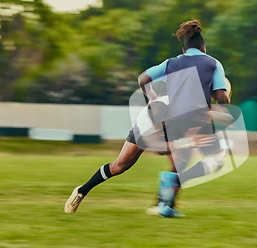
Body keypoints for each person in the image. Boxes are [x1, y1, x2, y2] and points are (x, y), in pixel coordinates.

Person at [64, 19, 230, 217]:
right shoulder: (213, 63)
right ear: (204, 47)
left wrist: (151, 97)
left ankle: (82, 190)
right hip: (173, 121)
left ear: (184, 49)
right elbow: (222, 100)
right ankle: (165, 202)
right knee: (210, 158)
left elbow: (143, 78)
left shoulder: (171, 62)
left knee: (119, 165)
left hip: (152, 116)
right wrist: (222, 95)